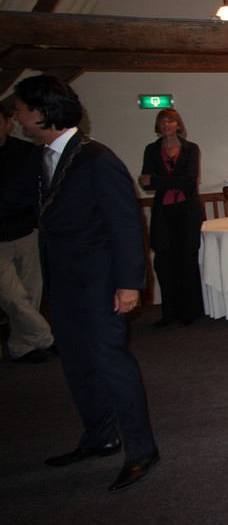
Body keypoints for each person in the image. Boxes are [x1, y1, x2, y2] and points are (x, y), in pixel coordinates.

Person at [0, 75, 158, 491]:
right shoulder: (41, 158)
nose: (16, 116)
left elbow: (126, 225)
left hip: (100, 283)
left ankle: (142, 450)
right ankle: (100, 436)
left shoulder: (96, 159)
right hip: (64, 282)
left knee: (111, 363)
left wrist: (129, 284)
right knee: (76, 363)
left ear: (41, 112)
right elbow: (10, 202)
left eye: (20, 109)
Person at [0, 101, 56, 363]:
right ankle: (46, 338)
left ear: (7, 123)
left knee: (32, 291)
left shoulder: (26, 152)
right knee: (11, 296)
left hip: (26, 231)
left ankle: (21, 346)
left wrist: (38, 221)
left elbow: (41, 190)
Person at [138, 108, 204, 327]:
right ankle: (169, 313)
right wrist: (160, 181)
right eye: (162, 121)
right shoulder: (151, 149)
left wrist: (156, 180)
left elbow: (190, 181)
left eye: (170, 121)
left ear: (178, 124)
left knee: (187, 261)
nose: (166, 124)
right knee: (164, 262)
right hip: (163, 213)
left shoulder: (191, 148)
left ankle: (189, 311)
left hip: (187, 212)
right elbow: (145, 183)